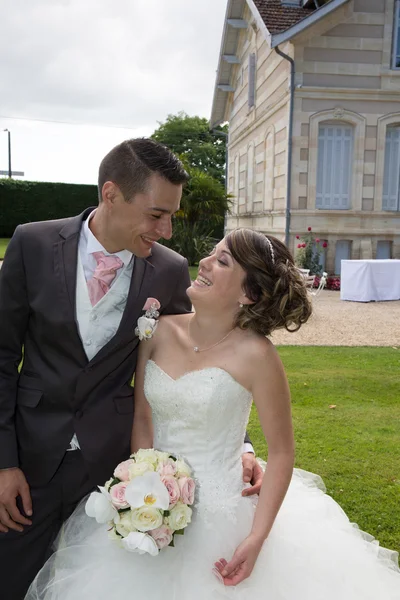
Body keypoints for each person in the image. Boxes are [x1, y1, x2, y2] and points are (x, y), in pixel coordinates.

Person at [27, 229, 400, 599]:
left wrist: (256, 537)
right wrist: (141, 487)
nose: (204, 262)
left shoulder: (259, 357)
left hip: (225, 516)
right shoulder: (156, 332)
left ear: (248, 294)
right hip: (152, 505)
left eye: (222, 261)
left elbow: (283, 453)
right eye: (213, 252)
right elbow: (143, 417)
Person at [0, 139, 261, 600]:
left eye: (172, 216)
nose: (166, 230)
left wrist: (238, 442)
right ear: (111, 193)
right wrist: (3, 463)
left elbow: (199, 355)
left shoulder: (169, 270)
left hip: (115, 467)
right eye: (156, 214)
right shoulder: (32, 243)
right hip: (29, 457)